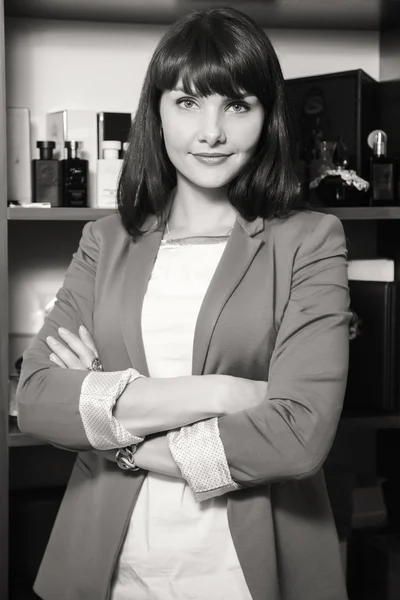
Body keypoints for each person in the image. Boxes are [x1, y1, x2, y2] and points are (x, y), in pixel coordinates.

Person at [16, 7, 351, 600]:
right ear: (158, 113)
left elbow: (299, 435)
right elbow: (37, 399)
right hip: (108, 567)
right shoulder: (106, 240)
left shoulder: (310, 239)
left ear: (268, 116)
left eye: (238, 105)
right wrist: (223, 393)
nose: (211, 132)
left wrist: (119, 432)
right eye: (188, 103)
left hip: (250, 568)